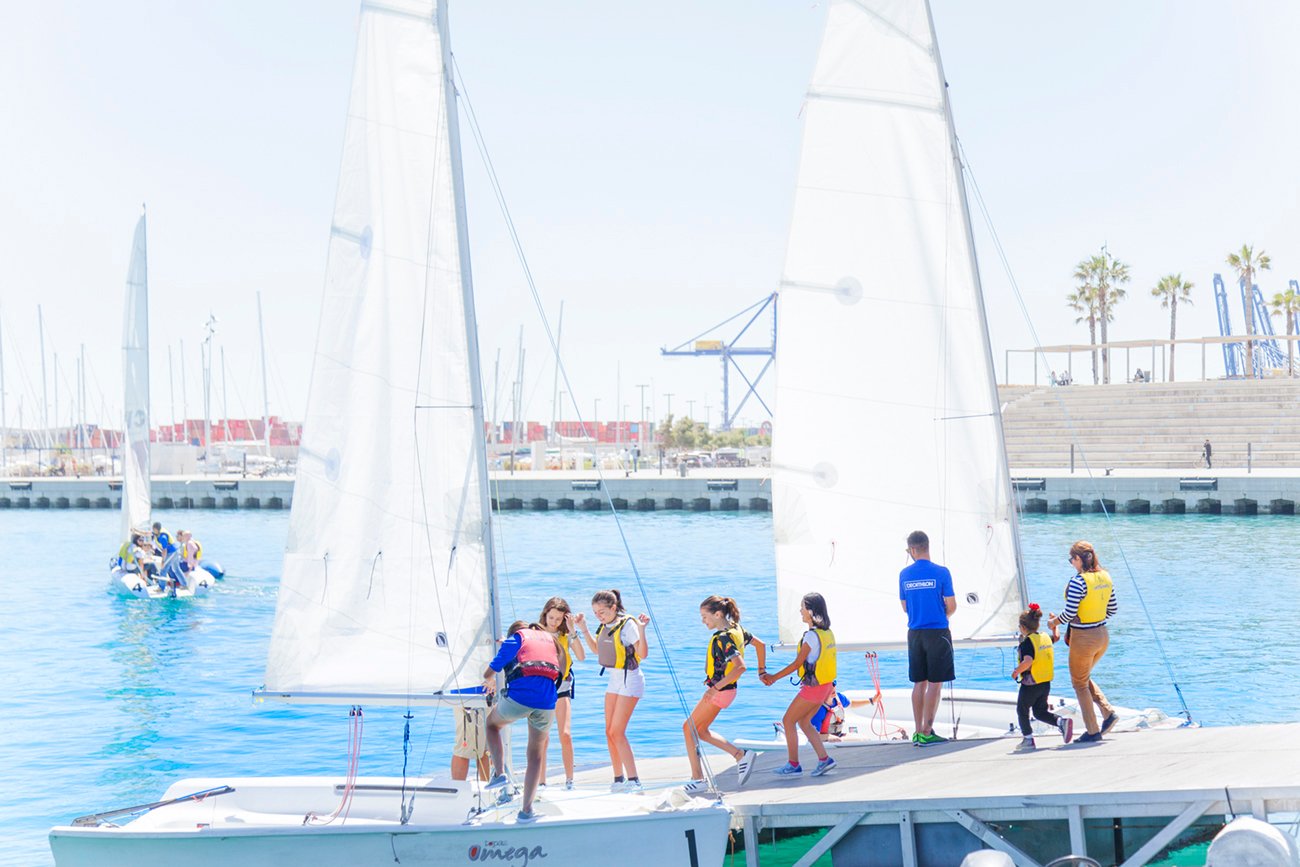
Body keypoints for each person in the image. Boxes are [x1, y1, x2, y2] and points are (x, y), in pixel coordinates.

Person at [482, 620, 564, 823]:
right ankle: (526, 810)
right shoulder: (551, 640)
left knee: (492, 725)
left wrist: (490, 679)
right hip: (547, 701)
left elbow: (488, 672)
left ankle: (499, 773)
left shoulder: (514, 640)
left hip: (520, 699)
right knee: (535, 755)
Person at [681, 596, 763, 794]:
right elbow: (760, 645)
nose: (703, 621)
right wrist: (762, 671)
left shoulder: (724, 638)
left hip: (721, 691)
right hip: (728, 691)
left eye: (705, 616)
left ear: (717, 614)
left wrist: (715, 688)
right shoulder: (737, 629)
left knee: (688, 728)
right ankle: (740, 755)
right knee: (700, 731)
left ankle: (698, 779)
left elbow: (740, 667)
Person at [575, 589, 650, 792]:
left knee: (617, 732)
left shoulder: (628, 625)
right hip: (614, 680)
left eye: (602, 612)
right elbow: (597, 650)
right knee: (609, 732)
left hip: (630, 679)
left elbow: (643, 653)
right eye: (596, 613)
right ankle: (618, 779)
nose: (599, 616)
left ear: (613, 607)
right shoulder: (605, 625)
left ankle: (634, 780)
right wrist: (583, 628)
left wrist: (642, 630)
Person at [760, 592, 837, 778]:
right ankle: (824, 759)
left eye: (802, 607)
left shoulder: (811, 637)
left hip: (813, 688)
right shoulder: (827, 632)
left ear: (810, 611)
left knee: (788, 721)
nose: (800, 611)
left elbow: (797, 664)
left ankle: (793, 765)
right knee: (804, 722)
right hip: (826, 686)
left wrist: (773, 677)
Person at [1049, 541, 1118, 745]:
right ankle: (1107, 712)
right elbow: (1112, 609)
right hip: (1102, 635)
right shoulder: (1106, 576)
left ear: (1078, 559)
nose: (1071, 563)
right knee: (1083, 676)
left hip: (1084, 637)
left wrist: (1054, 622)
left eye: (1072, 559)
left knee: (1078, 682)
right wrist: (1094, 616)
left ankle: (1093, 730)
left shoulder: (1078, 581)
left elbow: (1070, 613)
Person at [899, 530, 956, 746]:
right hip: (937, 632)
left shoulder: (904, 574)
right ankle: (927, 729)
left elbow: (905, 607)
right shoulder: (942, 572)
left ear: (913, 549)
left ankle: (917, 730)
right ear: (926, 547)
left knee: (919, 683)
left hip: (914, 633)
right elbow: (951, 606)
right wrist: (942, 614)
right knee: (935, 684)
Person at [1010, 603, 1073, 752]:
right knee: (1039, 712)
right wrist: (1054, 625)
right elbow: (1056, 637)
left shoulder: (1027, 642)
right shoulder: (1044, 637)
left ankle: (1028, 739)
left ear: (1023, 628)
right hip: (1045, 683)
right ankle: (1060, 722)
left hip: (1031, 684)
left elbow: (1028, 661)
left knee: (1022, 710)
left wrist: (1016, 671)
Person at [538, 597, 584, 790]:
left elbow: (581, 657)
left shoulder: (566, 636)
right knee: (542, 737)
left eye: (558, 619)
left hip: (562, 686)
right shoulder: (535, 633)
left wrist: (573, 630)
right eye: (551, 618)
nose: (554, 622)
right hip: (541, 688)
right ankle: (540, 782)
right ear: (545, 615)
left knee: (565, 734)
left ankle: (569, 781)